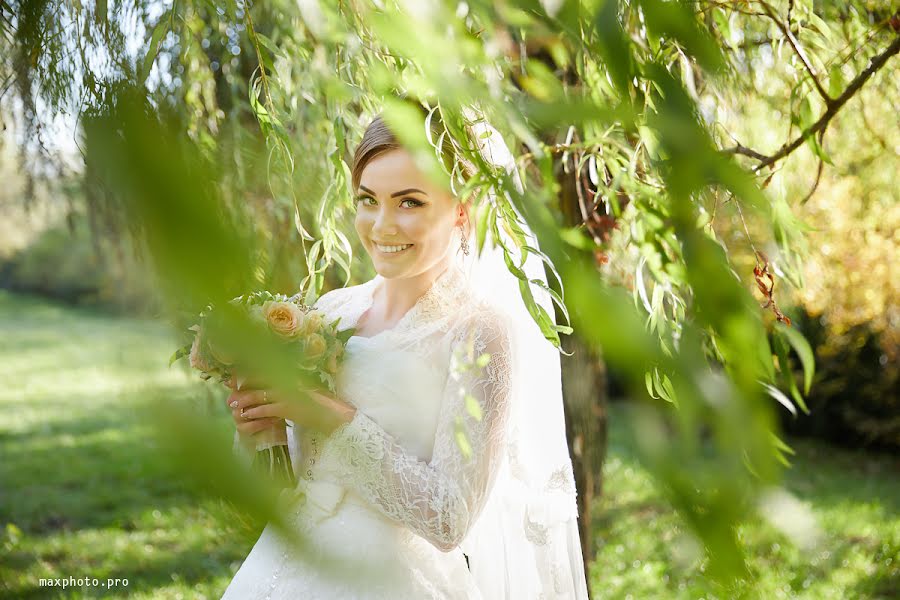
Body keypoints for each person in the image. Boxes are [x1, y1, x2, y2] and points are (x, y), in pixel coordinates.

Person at [220, 110, 589, 599]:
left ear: (463, 207)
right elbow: (284, 487)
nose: (382, 225)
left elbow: (448, 517)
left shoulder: (477, 333)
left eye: (409, 202)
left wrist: (328, 415)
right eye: (367, 200)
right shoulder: (331, 313)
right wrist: (259, 434)